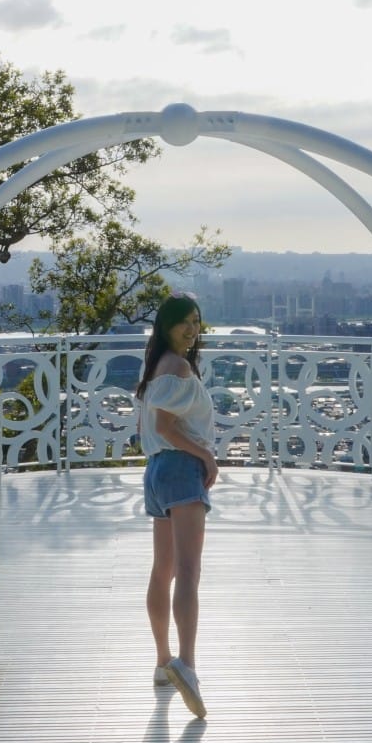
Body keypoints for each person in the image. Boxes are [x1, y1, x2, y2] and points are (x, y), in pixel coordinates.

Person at [134, 292, 217, 719]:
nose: (192, 329)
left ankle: (164, 661)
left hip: (156, 472)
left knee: (162, 569)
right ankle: (187, 663)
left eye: (196, 322)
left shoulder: (154, 370)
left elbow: (151, 426)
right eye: (183, 321)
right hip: (182, 470)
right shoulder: (179, 368)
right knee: (187, 571)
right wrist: (205, 455)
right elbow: (167, 426)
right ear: (165, 325)